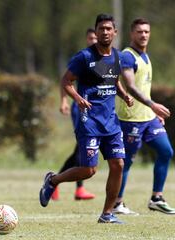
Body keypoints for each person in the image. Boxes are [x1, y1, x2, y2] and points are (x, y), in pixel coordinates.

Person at [39, 13, 134, 224]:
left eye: (109, 28)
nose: (105, 32)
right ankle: (53, 180)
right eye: (101, 28)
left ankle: (107, 214)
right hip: (89, 121)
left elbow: (114, 80)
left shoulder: (118, 57)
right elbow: (65, 81)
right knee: (89, 170)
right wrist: (78, 98)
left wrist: (124, 94)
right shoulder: (84, 57)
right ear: (96, 31)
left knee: (118, 164)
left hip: (111, 122)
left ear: (115, 33)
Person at [113, 18, 174, 215]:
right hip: (130, 119)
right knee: (126, 162)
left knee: (166, 151)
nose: (144, 35)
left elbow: (143, 89)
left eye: (147, 31)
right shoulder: (127, 56)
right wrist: (153, 105)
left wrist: (152, 112)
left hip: (148, 118)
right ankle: (117, 203)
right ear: (132, 34)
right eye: (139, 31)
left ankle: (156, 198)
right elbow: (130, 86)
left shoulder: (145, 56)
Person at [52, 28, 98, 201]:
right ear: (87, 39)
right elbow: (66, 81)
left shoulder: (104, 58)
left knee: (81, 150)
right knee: (83, 148)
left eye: (96, 37)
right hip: (80, 109)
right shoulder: (83, 58)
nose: (94, 40)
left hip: (96, 111)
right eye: (91, 37)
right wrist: (64, 101)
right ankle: (68, 186)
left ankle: (57, 182)